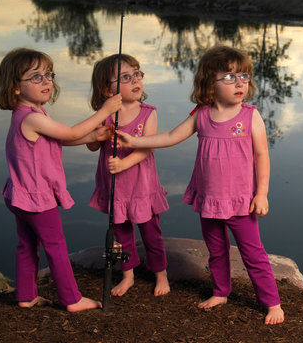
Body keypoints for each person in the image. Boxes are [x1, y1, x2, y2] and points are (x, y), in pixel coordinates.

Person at [116, 45, 284, 325]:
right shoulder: (202, 114)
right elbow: (170, 136)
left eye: (243, 76)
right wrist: (135, 141)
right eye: (229, 77)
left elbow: (261, 155)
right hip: (210, 198)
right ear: (209, 83)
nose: (239, 82)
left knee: (253, 254)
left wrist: (262, 193)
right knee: (216, 250)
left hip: (241, 200)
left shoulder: (249, 116)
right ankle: (221, 291)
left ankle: (272, 303)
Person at [0, 47, 122, 312]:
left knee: (27, 244)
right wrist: (105, 109)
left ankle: (26, 295)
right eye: (36, 77)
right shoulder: (31, 117)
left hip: (19, 194)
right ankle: (71, 299)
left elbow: (62, 138)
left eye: (48, 75)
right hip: (37, 197)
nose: (46, 82)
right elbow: (69, 131)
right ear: (15, 87)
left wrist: (92, 137)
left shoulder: (31, 114)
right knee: (56, 246)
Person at [87, 54, 170, 297]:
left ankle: (161, 274)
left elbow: (146, 147)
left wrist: (123, 164)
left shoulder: (148, 113)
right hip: (116, 189)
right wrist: (98, 133)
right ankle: (128, 275)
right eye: (125, 77)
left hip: (141, 187)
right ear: (106, 88)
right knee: (120, 236)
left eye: (137, 74)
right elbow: (92, 146)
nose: (135, 80)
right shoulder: (104, 114)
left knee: (151, 233)